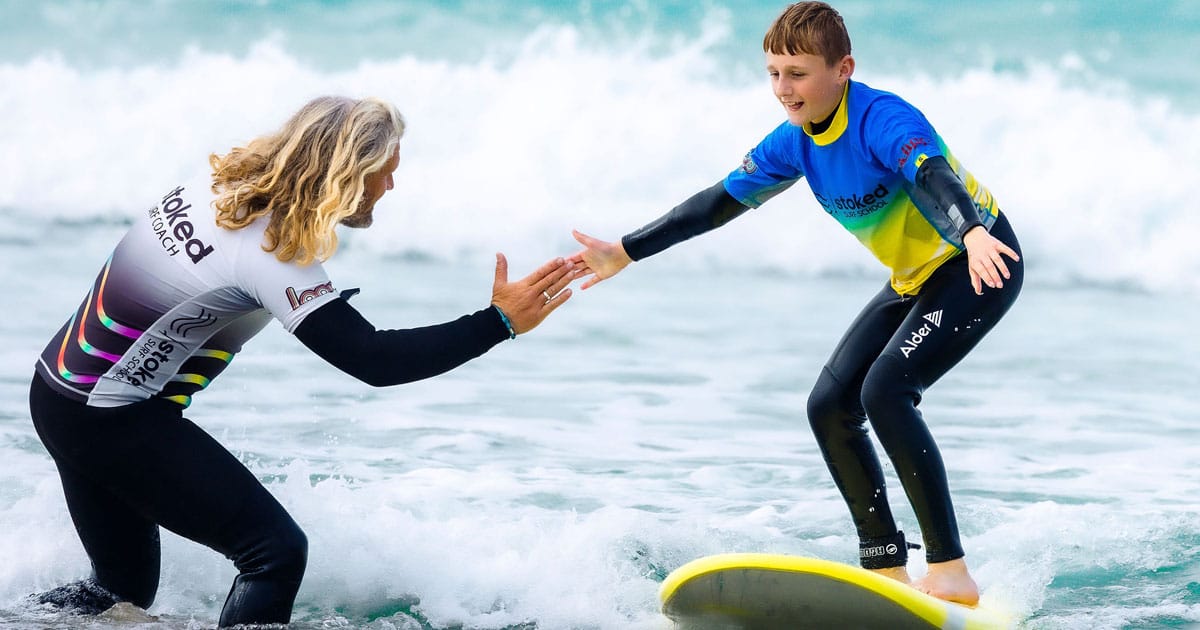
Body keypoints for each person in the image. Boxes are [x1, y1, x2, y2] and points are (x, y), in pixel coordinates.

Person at [28, 95, 575, 626]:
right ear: (346, 171)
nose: (391, 185)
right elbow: (373, 360)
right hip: (109, 417)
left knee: (120, 590)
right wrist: (498, 322)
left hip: (56, 391)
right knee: (274, 554)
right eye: (384, 171)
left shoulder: (217, 187)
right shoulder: (270, 252)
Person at [569, 2, 1022, 606]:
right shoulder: (794, 143)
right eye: (774, 73)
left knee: (885, 391)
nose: (784, 88)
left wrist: (968, 231)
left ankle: (950, 572)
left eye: (798, 73)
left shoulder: (882, 118)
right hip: (916, 275)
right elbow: (713, 205)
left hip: (977, 257)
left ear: (843, 69)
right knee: (829, 405)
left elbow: (933, 174)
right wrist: (627, 250)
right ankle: (886, 568)